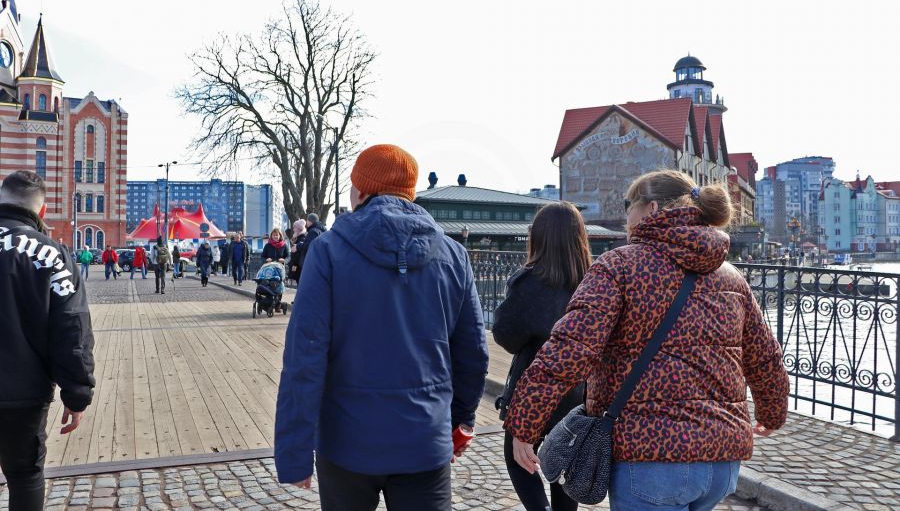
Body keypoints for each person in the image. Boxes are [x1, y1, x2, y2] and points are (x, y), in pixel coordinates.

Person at [504, 169, 790, 511]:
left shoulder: (620, 266)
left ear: (651, 209)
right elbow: (765, 357)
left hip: (653, 458)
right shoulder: (731, 276)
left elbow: (571, 349)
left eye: (629, 205)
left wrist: (524, 421)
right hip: (722, 460)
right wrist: (772, 413)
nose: (626, 215)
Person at [275, 144, 488, 511]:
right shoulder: (453, 255)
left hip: (347, 443)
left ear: (360, 190)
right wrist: (458, 424)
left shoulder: (328, 251)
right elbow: (473, 352)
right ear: (411, 192)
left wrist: (295, 452)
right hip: (424, 440)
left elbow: (305, 356)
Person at [0, 170, 95, 511]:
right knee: (24, 476)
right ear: (41, 212)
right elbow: (72, 327)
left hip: (21, 392)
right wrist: (77, 392)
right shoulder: (52, 254)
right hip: (21, 393)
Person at [492, 202, 590, 511]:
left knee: (517, 456)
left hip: (534, 389)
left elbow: (506, 336)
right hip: (580, 391)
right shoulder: (595, 280)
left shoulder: (531, 282)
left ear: (539, 237)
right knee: (564, 466)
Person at [295, 212, 326, 278]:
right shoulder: (322, 230)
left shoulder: (313, 231)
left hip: (312, 262)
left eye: (307, 220)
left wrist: (298, 246)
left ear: (309, 221)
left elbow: (308, 245)